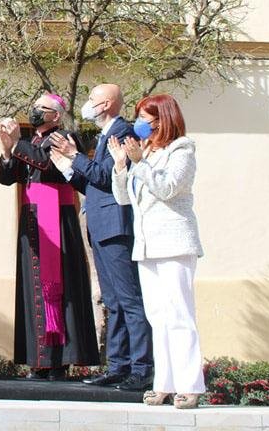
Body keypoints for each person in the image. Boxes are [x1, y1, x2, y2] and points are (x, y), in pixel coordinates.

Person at [48, 84, 153, 391]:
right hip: (102, 226)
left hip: (117, 227)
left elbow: (108, 177)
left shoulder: (122, 131)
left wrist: (75, 155)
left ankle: (142, 367)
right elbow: (96, 184)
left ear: (106, 103)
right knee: (114, 301)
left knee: (129, 300)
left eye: (92, 99)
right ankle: (118, 366)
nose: (87, 104)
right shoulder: (107, 134)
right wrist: (68, 167)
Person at [107, 93, 205, 409]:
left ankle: (190, 385)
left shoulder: (182, 150)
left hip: (175, 242)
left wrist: (139, 162)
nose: (140, 126)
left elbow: (166, 187)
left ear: (162, 120)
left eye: (145, 120)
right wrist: (122, 167)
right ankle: (164, 383)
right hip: (147, 246)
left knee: (179, 314)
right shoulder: (145, 153)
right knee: (158, 317)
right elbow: (124, 198)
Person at [0, 94, 100, 380]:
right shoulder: (31, 142)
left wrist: (18, 143)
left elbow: (48, 165)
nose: (35, 112)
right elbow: (7, 177)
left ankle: (59, 361)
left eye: (42, 109)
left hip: (55, 215)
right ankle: (38, 360)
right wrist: (7, 152)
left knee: (58, 288)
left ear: (55, 115)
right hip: (32, 218)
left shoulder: (64, 137)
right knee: (33, 288)